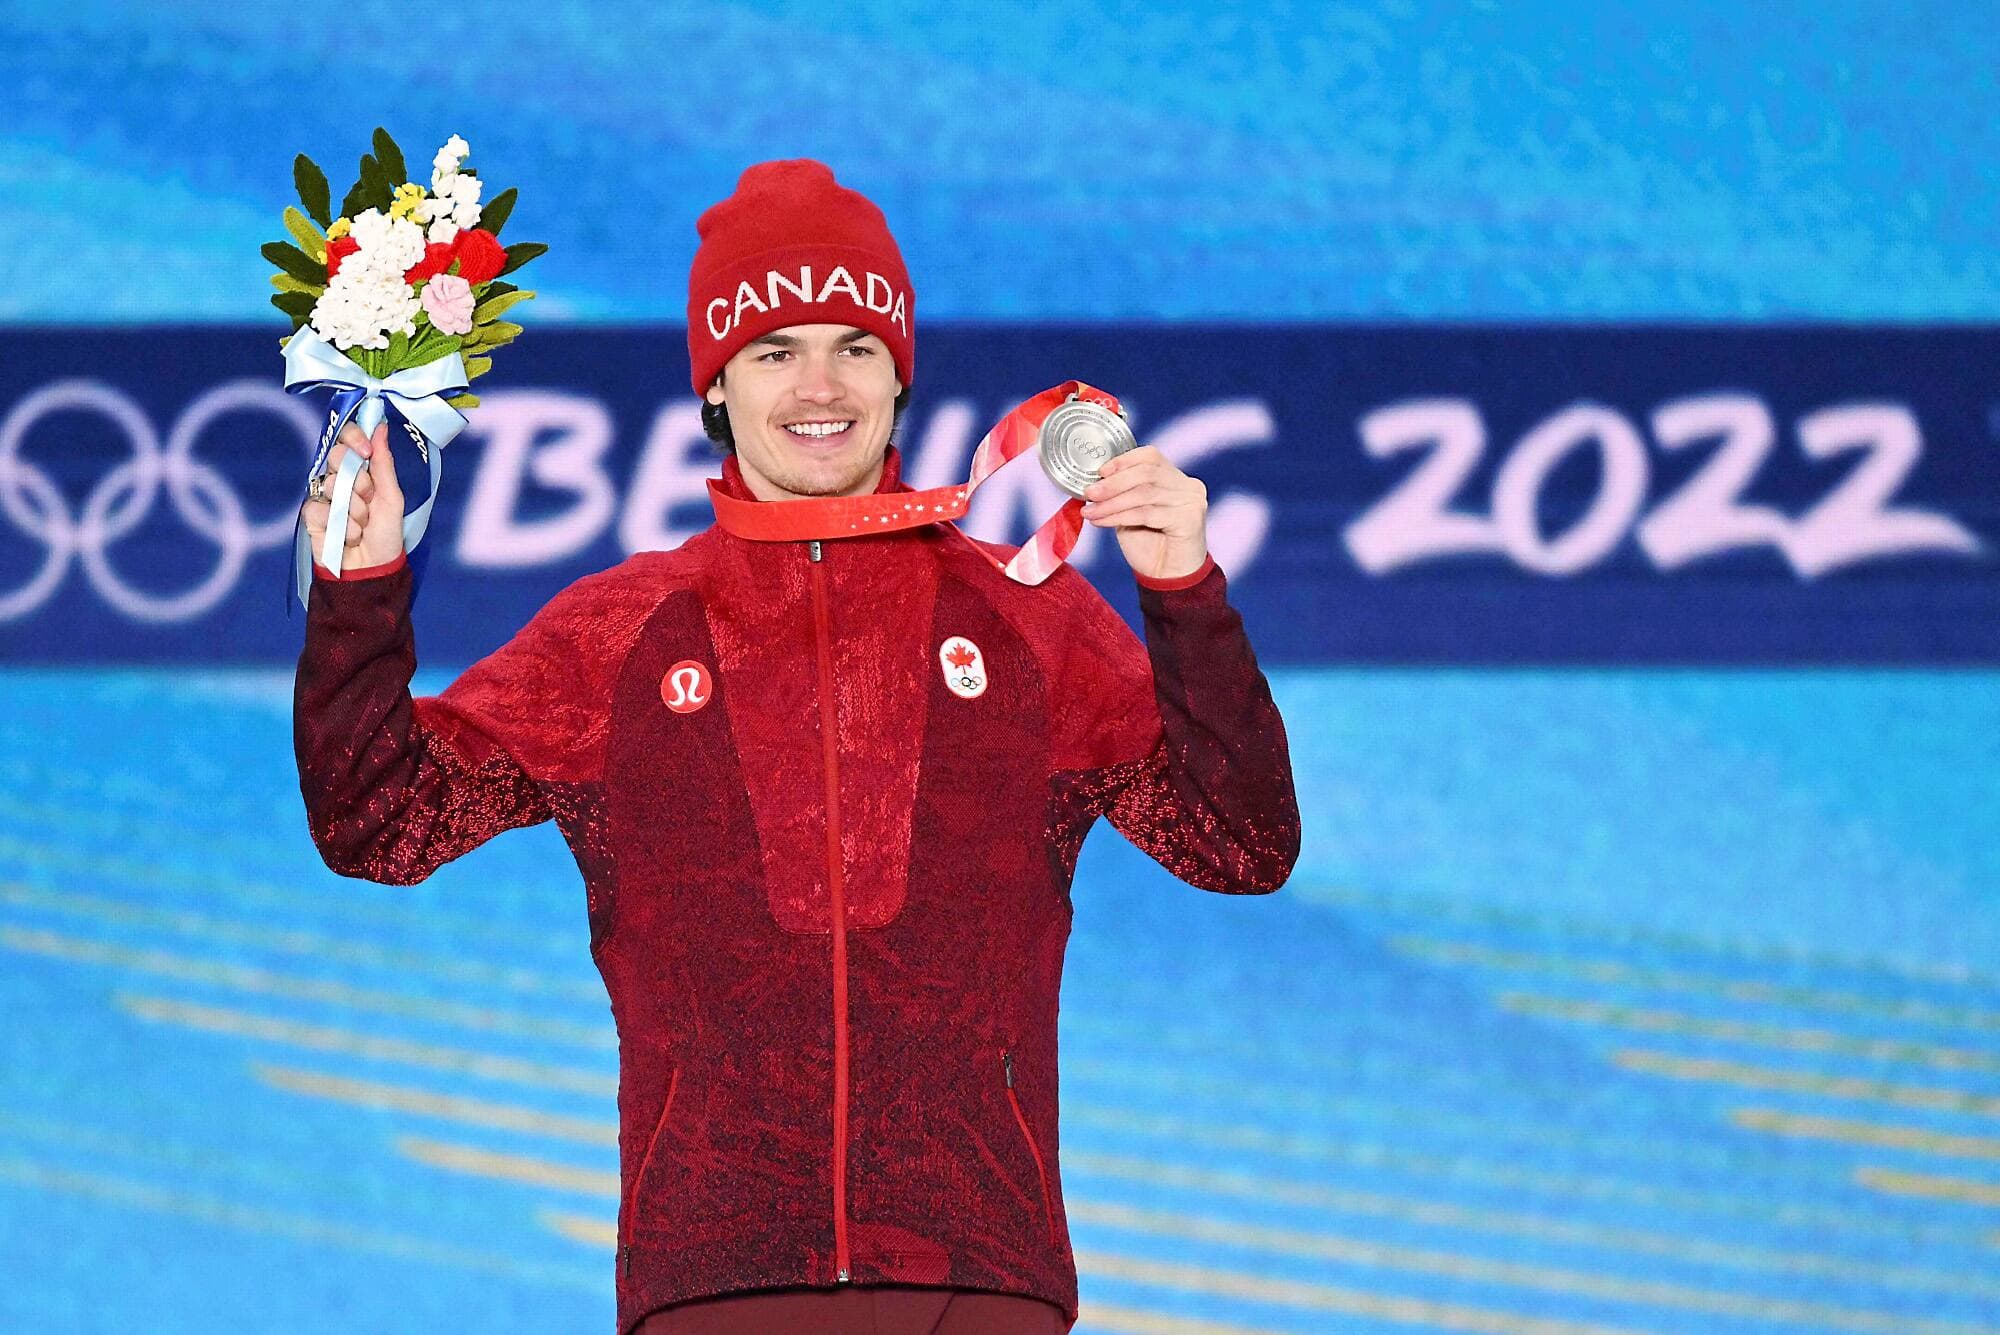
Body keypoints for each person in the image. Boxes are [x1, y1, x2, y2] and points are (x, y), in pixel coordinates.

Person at [295, 159, 1301, 1335]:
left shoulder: (1028, 621)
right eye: (773, 351)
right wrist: (359, 594)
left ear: (898, 376)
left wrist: (1182, 591)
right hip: (714, 1278)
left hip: (976, 1277)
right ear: (716, 386)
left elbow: (1239, 845)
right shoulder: (620, 632)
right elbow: (380, 822)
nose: (818, 386)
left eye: (854, 348)